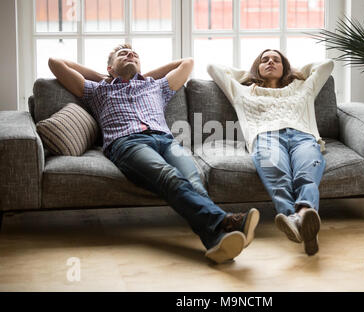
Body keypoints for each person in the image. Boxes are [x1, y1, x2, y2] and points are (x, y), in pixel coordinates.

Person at [48, 44, 260, 264]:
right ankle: (229, 221)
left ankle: (216, 239)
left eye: (135, 55)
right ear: (110, 67)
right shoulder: (97, 90)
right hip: (127, 143)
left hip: (166, 141)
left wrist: (140, 74)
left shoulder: (156, 86)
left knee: (194, 181)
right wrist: (106, 76)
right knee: (168, 176)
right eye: (123, 55)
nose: (130, 55)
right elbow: (55, 62)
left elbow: (187, 62)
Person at [207, 49, 334, 256]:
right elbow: (213, 68)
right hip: (266, 137)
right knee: (278, 176)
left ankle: (302, 216)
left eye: (276, 60)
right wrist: (249, 75)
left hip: (303, 136)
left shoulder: (303, 87)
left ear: (285, 66)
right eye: (264, 60)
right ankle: (301, 221)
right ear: (256, 67)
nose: (270, 62)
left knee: (306, 174)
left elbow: (327, 64)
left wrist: (292, 73)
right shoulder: (242, 91)